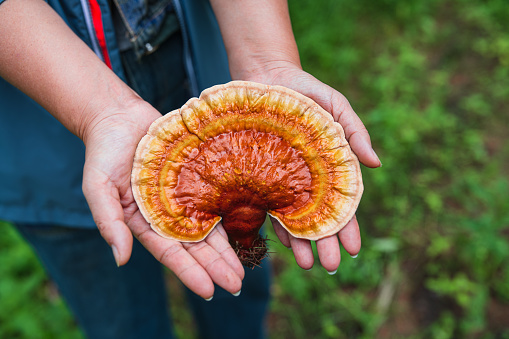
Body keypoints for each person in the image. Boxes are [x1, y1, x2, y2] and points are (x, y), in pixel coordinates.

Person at [0, 0, 381, 338]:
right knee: (121, 320)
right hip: (46, 129)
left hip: (202, 69)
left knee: (239, 291)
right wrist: (98, 111)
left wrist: (265, 57)